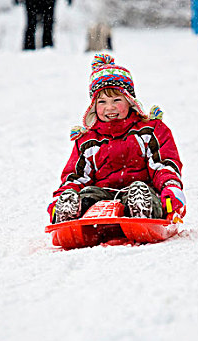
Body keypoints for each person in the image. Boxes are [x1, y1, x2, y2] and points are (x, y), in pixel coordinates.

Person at [47, 54, 186, 224]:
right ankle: (70, 212)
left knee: (142, 191)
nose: (109, 107)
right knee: (87, 194)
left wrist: (170, 187)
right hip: (102, 198)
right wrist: (63, 195)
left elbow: (163, 164)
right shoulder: (87, 141)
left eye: (117, 100)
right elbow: (76, 176)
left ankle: (142, 210)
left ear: (130, 101)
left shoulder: (150, 130)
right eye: (102, 102)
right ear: (93, 106)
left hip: (141, 190)